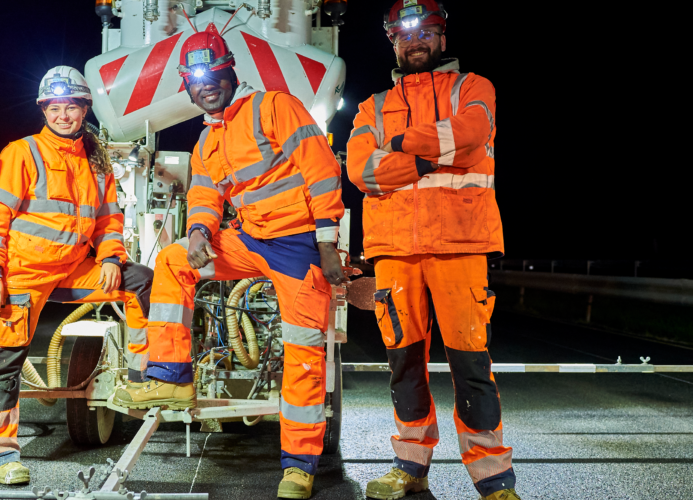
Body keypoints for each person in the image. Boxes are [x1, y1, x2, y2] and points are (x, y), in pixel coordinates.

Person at [110, 23, 346, 500]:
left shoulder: (274, 107)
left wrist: (327, 243)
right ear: (187, 87)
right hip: (253, 241)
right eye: (195, 80)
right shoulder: (208, 141)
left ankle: (299, 466)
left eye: (213, 73)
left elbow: (320, 169)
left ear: (229, 71)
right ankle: (170, 377)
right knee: (176, 259)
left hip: (299, 247)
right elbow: (203, 195)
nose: (205, 85)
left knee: (303, 352)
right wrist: (198, 232)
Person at [346, 1, 518, 499]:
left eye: (424, 32)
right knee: (403, 364)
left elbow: (471, 133)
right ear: (392, 41)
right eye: (403, 34)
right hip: (395, 252)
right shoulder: (370, 107)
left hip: (462, 244)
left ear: (442, 37)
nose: (413, 41)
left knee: (471, 366)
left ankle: (493, 479)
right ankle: (409, 466)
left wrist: (398, 145)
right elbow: (362, 171)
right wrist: (423, 161)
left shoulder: (473, 88)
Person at [0, 65, 154, 485]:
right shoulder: (22, 152)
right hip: (23, 273)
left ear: (85, 108)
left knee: (141, 280)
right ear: (43, 110)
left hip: (74, 268)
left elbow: (109, 219)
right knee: (6, 360)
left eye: (71, 107)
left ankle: (147, 377)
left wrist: (110, 258)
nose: (63, 116)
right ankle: (0, 453)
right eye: (54, 108)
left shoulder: (97, 160)